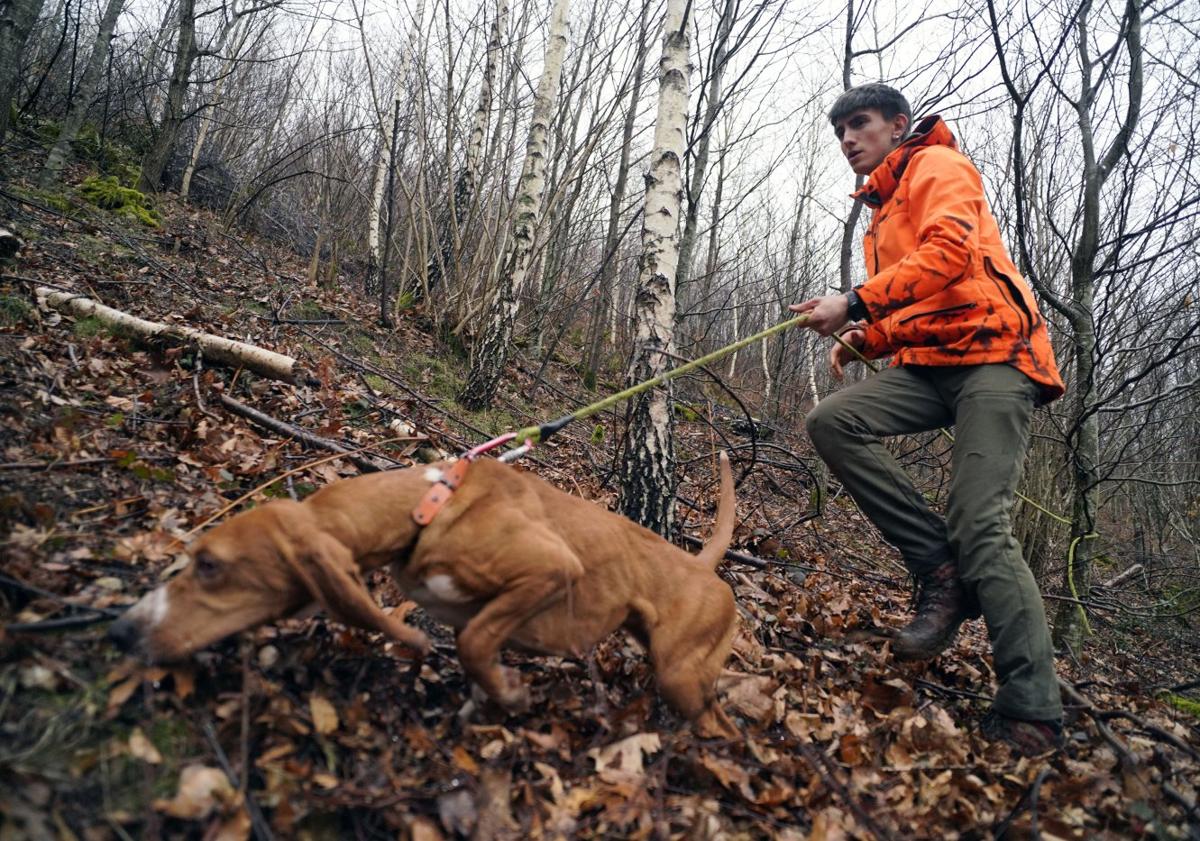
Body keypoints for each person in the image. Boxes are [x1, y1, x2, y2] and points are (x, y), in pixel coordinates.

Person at [792, 83, 1065, 755]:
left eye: (860, 124)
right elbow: (919, 303)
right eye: (841, 132)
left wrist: (854, 305)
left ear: (899, 126)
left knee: (981, 523)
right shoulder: (879, 213)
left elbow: (951, 258)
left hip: (997, 358)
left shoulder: (939, 167)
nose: (849, 139)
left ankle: (1032, 706)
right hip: (931, 364)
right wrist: (868, 339)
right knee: (832, 422)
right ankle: (939, 570)